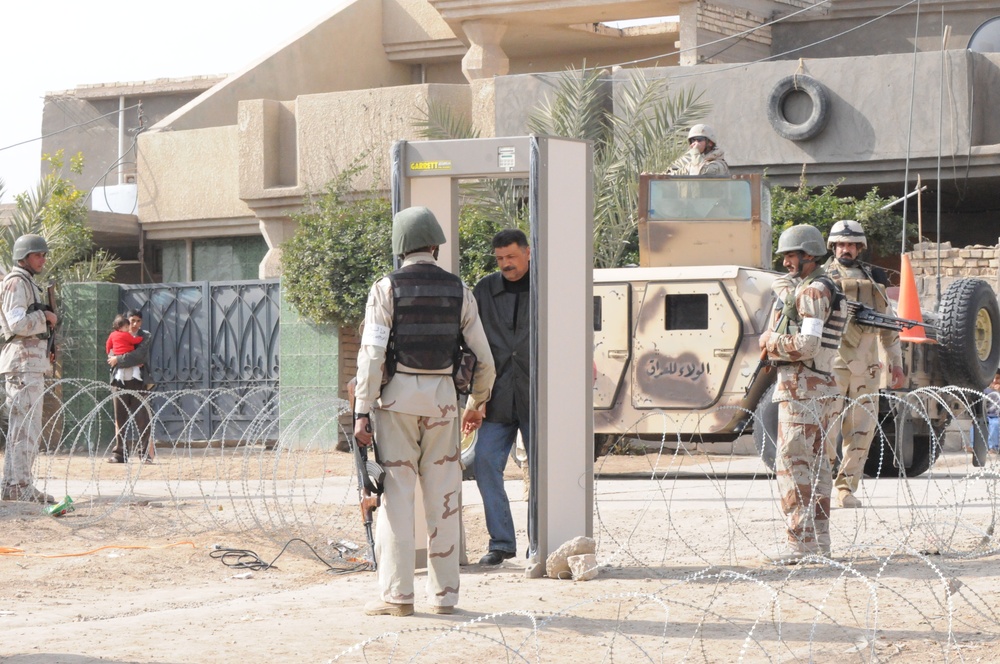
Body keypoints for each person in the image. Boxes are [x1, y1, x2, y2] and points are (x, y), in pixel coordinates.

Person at [353, 206, 495, 617]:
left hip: (395, 406)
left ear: (400, 248)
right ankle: (445, 598)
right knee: (445, 500)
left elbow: (372, 354)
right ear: (435, 245)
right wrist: (475, 403)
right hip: (443, 405)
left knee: (397, 499)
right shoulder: (459, 290)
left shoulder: (385, 289)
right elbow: (485, 360)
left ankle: (398, 597)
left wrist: (363, 410)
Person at [759, 224, 846, 563]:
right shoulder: (821, 287)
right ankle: (818, 543)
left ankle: (801, 545)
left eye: (790, 256)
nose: (785, 263)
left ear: (809, 254)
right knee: (818, 466)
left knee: (794, 466)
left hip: (803, 389)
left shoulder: (812, 292)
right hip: (820, 387)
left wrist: (772, 343)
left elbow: (808, 345)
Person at [823, 220, 905, 508]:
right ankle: (821, 486)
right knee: (826, 429)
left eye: (852, 245)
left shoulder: (876, 278)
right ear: (833, 246)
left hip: (867, 367)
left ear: (860, 248)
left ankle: (846, 487)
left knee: (861, 431)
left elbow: (888, 327)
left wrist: (896, 363)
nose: (846, 249)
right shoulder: (823, 277)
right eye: (841, 244)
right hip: (832, 364)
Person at [471, 229, 531, 566]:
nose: (505, 264)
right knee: (484, 461)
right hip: (496, 396)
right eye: (499, 259)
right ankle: (502, 542)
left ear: (527, 252)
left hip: (538, 396)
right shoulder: (484, 290)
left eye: (511, 257)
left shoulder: (545, 285)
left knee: (541, 472)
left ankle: (539, 540)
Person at [0, 234, 58, 503]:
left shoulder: (27, 282)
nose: (43, 259)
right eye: (38, 255)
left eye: (44, 255)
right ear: (23, 257)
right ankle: (20, 485)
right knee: (26, 428)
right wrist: (43, 316)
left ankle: (13, 485)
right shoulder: (16, 283)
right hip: (23, 364)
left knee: (23, 427)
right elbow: (16, 324)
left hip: (29, 362)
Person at [106, 309, 155, 464]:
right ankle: (120, 454)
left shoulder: (144, 336)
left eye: (138, 321)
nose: (134, 324)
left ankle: (145, 454)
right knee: (120, 418)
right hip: (119, 381)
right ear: (126, 321)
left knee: (142, 418)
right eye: (132, 320)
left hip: (138, 380)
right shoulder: (115, 334)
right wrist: (125, 359)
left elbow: (140, 356)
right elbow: (110, 355)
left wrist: (119, 360)